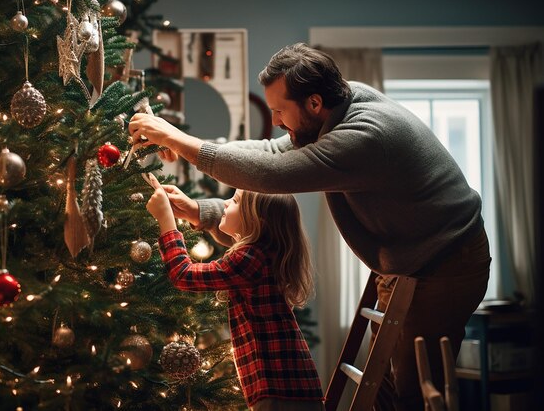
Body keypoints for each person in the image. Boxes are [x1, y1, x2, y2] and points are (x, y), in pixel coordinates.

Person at [130, 43, 491, 410]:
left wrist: (177, 139)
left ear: (315, 104)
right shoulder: (342, 103)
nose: (275, 122)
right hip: (407, 259)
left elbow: (271, 174)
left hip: (447, 261)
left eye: (279, 111)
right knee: (386, 384)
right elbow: (271, 152)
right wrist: (201, 208)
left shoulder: (363, 137)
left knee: (414, 389)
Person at [146, 175, 325, 411]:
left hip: (280, 392)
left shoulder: (250, 258)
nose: (225, 204)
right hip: (288, 387)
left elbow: (183, 275)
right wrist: (191, 212)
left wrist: (166, 221)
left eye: (236, 200)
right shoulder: (260, 253)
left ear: (256, 220)